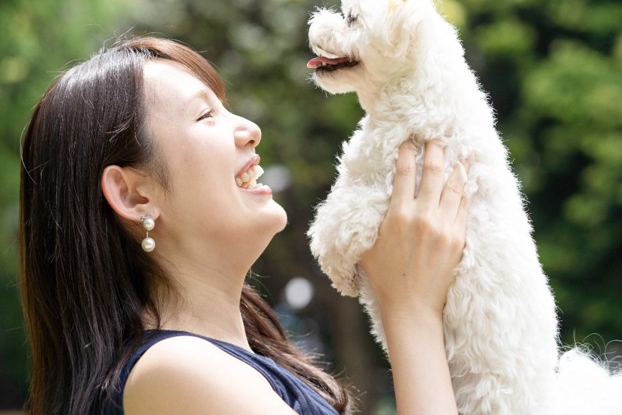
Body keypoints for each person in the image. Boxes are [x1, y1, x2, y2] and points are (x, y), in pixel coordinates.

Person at [18, 37, 471, 414]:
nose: (250, 128)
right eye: (205, 115)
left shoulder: (221, 363)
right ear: (135, 195)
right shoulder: (176, 371)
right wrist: (409, 309)